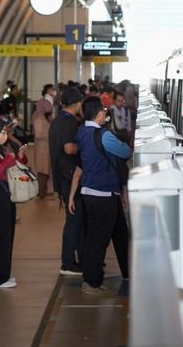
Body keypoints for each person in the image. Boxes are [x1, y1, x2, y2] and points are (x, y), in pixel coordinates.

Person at [70, 97, 131, 295]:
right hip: (102, 193)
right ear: (99, 114)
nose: (106, 114)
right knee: (98, 240)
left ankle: (96, 277)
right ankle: (92, 282)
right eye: (104, 111)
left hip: (91, 191)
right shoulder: (103, 135)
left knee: (101, 236)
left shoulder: (82, 132)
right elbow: (124, 152)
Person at [0, 118, 29, 288]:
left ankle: (4, 274)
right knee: (0, 236)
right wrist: (9, 159)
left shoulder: (1, 147)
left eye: (5, 131)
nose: (5, 135)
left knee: (8, 234)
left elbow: (15, 165)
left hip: (6, 193)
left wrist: (20, 156)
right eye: (1, 132)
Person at [49, 88, 86, 276]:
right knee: (74, 219)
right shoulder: (68, 122)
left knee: (76, 219)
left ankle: (79, 259)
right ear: (78, 104)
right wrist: (87, 144)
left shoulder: (58, 120)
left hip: (62, 175)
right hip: (69, 176)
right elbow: (69, 149)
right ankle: (68, 263)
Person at [33, 84, 55, 198]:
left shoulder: (44, 117)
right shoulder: (39, 118)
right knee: (42, 170)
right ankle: (41, 193)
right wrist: (50, 135)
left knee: (45, 169)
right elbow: (38, 134)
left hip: (45, 147)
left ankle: (44, 190)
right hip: (42, 147)